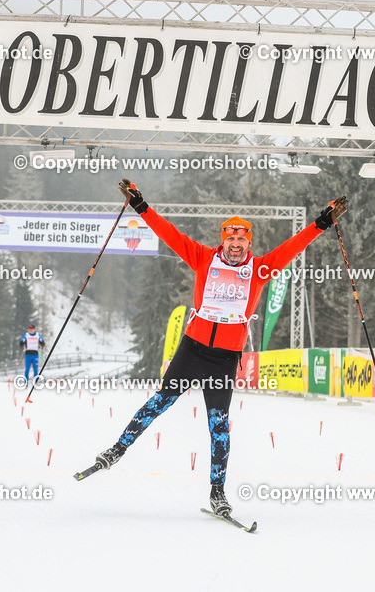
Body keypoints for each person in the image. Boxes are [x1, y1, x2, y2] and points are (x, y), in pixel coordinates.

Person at [92, 179, 347, 518]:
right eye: (231, 238)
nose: (236, 244)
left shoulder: (260, 270)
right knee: (158, 403)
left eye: (242, 239)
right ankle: (116, 451)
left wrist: (322, 222)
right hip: (192, 349)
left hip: (224, 359)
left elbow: (291, 248)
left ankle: (217, 493)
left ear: (248, 243)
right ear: (223, 241)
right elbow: (170, 235)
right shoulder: (202, 258)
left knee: (219, 425)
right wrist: (141, 207)